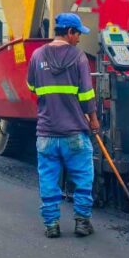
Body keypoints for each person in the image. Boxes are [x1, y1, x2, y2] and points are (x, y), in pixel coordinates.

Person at [26, 13, 100, 238]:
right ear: (69, 32)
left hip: (46, 133)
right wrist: (94, 120)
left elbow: (31, 87)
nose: (79, 39)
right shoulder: (78, 57)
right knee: (83, 177)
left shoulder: (37, 55)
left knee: (48, 179)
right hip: (74, 132)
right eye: (78, 34)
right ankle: (82, 222)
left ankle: (51, 225)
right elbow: (87, 94)